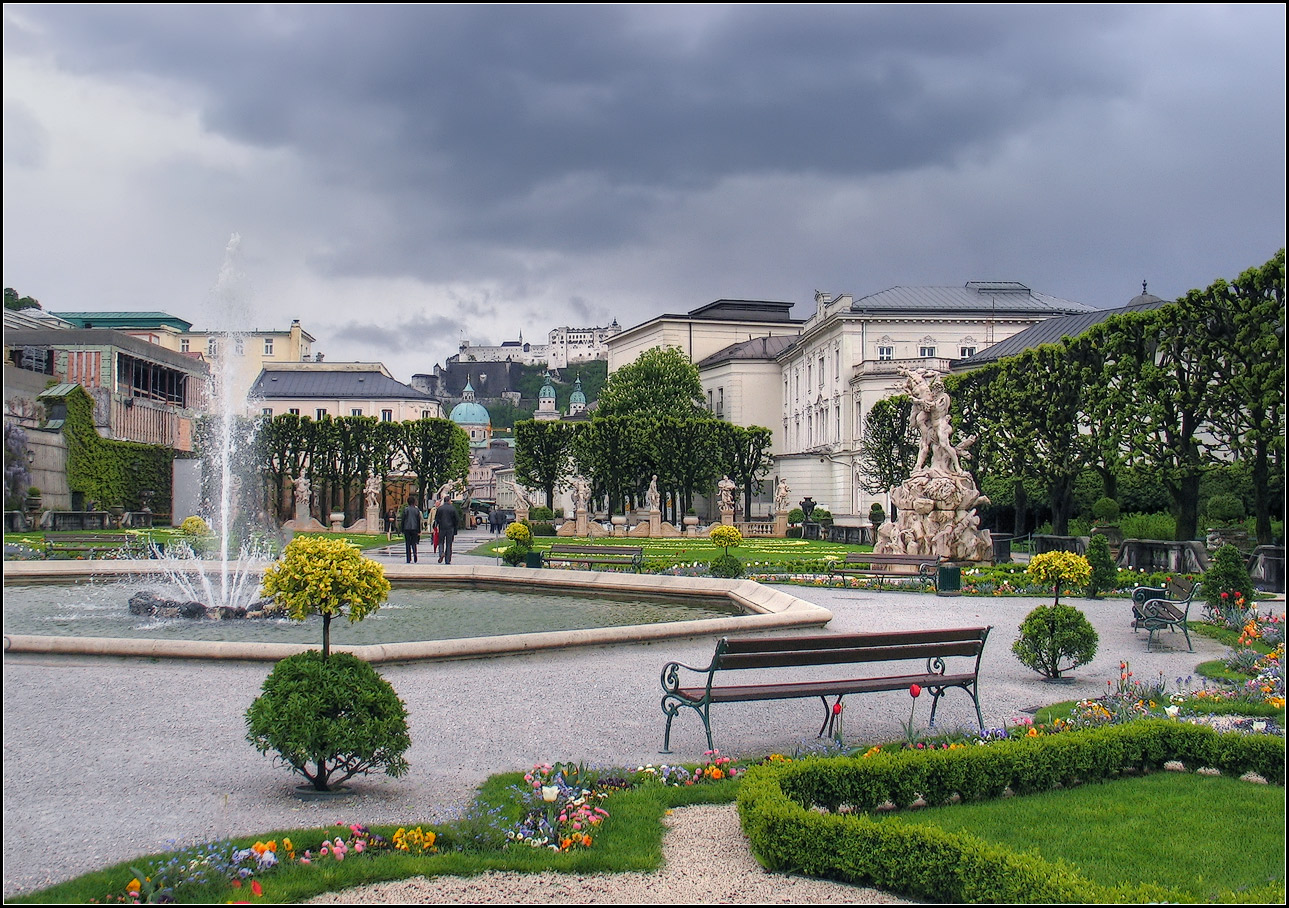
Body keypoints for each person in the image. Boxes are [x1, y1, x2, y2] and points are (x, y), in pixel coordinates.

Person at [435, 495, 461, 564]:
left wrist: (435, 527)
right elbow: (457, 519)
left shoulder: (440, 509)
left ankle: (441, 553)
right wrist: (455, 527)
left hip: (442, 527)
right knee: (449, 544)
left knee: (441, 542)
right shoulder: (453, 509)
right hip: (450, 528)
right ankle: (447, 559)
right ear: (449, 501)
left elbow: (436, 519)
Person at [401, 495, 423, 564]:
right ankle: (415, 553)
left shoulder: (406, 510)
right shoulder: (417, 510)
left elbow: (403, 520)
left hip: (407, 528)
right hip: (415, 528)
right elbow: (418, 520)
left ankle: (408, 558)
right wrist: (419, 530)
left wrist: (402, 529)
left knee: (407, 543)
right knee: (414, 543)